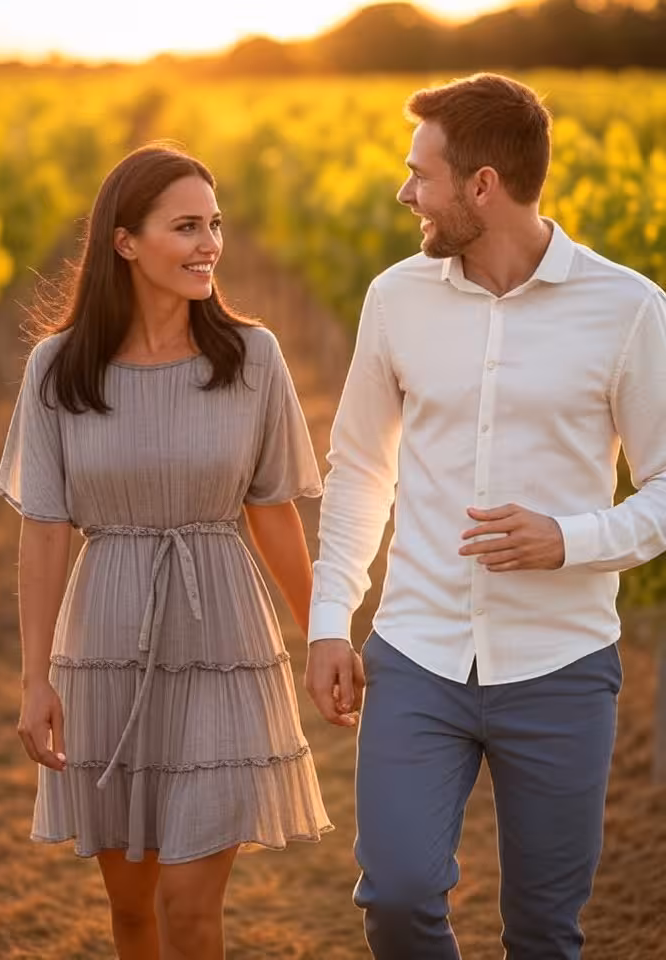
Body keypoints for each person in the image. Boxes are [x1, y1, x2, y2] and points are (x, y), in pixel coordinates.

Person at [305, 73, 666, 959]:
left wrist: (569, 541)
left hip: (562, 668)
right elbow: (358, 469)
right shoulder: (395, 299)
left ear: (481, 186)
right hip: (417, 655)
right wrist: (327, 622)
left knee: (545, 932)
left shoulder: (629, 310)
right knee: (395, 896)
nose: (405, 192)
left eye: (420, 173)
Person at [0, 144, 332, 960]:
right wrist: (36, 678)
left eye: (214, 224)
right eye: (185, 226)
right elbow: (42, 535)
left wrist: (322, 634)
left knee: (188, 903)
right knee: (133, 910)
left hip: (224, 642)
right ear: (125, 242)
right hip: (105, 644)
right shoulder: (57, 370)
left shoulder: (252, 358)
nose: (209, 242)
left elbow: (273, 511)